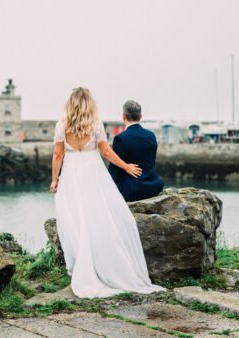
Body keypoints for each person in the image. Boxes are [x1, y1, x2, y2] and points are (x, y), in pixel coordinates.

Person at [50, 87, 165, 298]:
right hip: (93, 174)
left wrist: (54, 180)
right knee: (97, 217)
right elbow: (106, 152)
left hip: (72, 175)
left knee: (76, 219)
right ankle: (101, 264)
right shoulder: (95, 124)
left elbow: (58, 155)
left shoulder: (61, 125)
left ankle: (83, 265)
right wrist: (126, 167)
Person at [108, 100, 164, 202]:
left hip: (131, 191)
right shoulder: (151, 135)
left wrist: (108, 190)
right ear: (140, 116)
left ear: (123, 116)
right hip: (153, 187)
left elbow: (114, 169)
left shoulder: (121, 138)